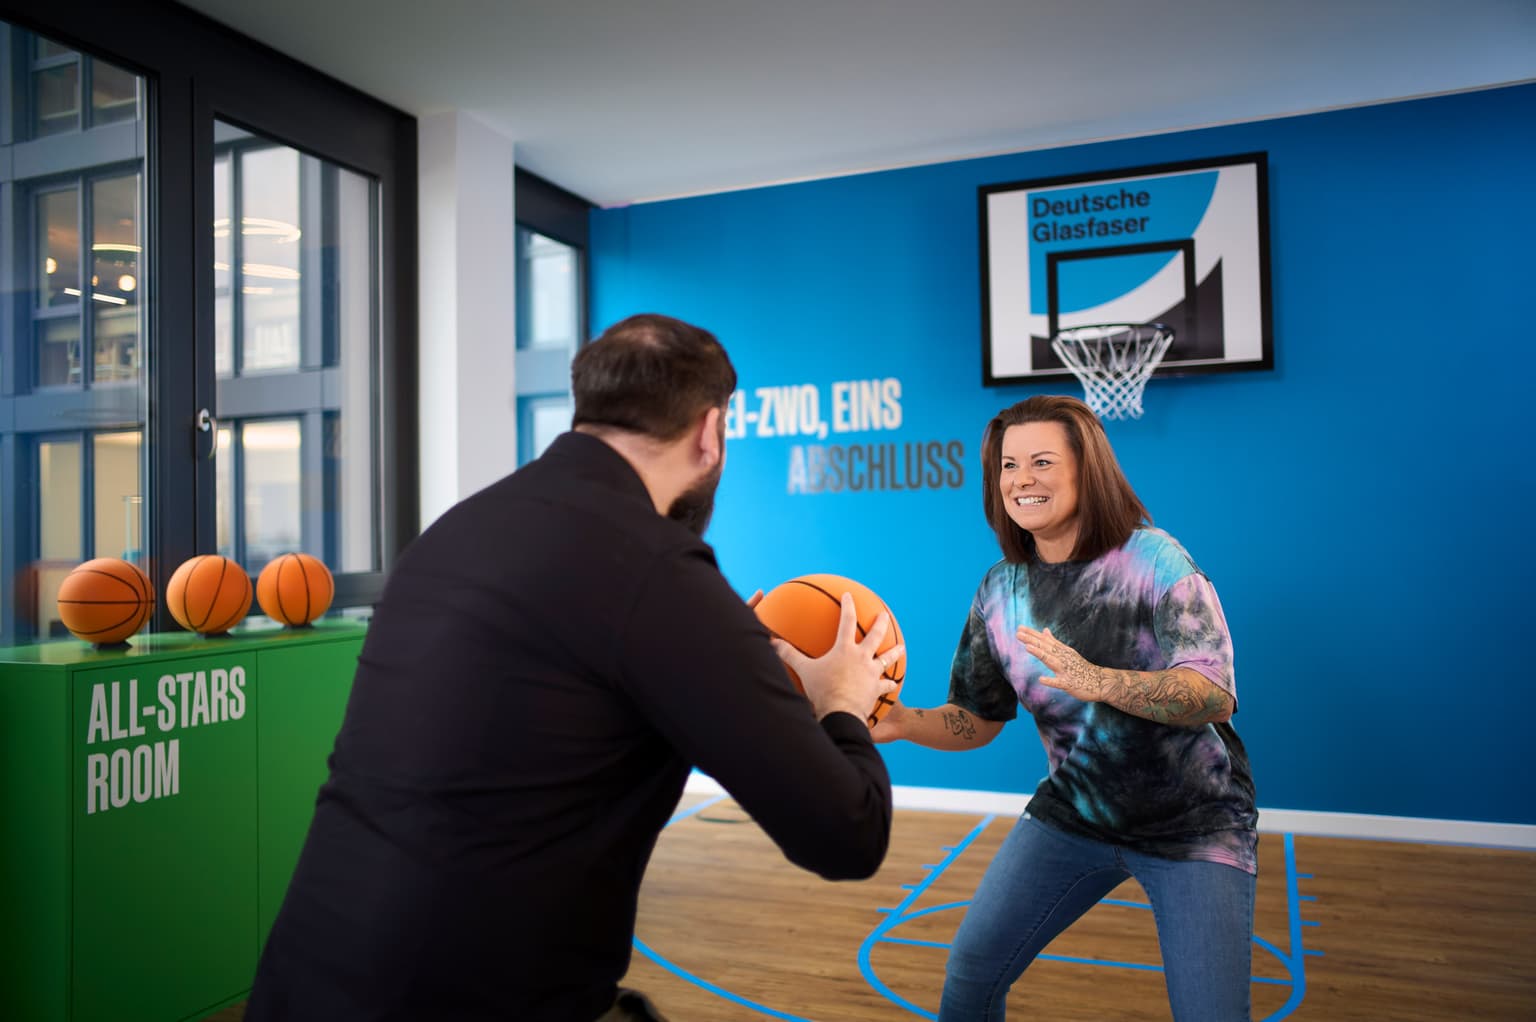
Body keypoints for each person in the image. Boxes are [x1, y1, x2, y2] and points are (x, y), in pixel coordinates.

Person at [246, 313, 902, 1022]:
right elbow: (847, 834)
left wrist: (727, 662)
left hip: (306, 975)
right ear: (711, 434)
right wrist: (841, 700)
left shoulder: (454, 531)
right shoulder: (658, 572)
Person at [873, 394, 1257, 1021]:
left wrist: (1102, 681)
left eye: (1043, 462)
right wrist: (903, 722)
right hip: (1075, 813)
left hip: (1195, 825)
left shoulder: (1155, 560)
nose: (1022, 480)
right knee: (971, 972)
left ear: (1087, 470)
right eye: (1007, 466)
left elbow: (1212, 693)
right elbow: (978, 717)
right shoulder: (1002, 589)